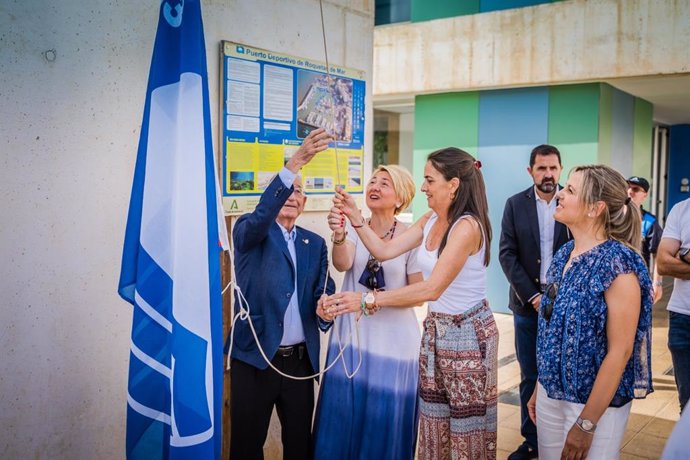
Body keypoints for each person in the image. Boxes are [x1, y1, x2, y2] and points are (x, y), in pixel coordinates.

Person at [323, 147, 498, 459]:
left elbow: (429, 289)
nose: (424, 187)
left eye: (430, 180)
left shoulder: (467, 227)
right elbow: (384, 250)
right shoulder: (430, 218)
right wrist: (353, 216)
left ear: (453, 184)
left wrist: (366, 300)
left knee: (465, 435)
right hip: (435, 333)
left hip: (467, 337)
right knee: (434, 430)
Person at [527, 165, 653, 459]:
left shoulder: (619, 266)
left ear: (595, 208)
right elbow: (551, 329)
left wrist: (585, 424)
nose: (559, 193)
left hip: (594, 408)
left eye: (570, 190)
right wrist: (538, 387)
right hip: (549, 395)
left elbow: (620, 352)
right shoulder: (563, 254)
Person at [228, 128, 335, 460]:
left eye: (299, 190)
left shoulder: (314, 243)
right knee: (246, 447)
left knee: (300, 446)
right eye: (287, 188)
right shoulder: (250, 231)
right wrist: (297, 161)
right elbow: (263, 215)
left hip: (300, 365)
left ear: (304, 202)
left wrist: (325, 308)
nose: (292, 194)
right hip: (255, 361)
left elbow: (323, 289)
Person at [312, 165, 422, 460]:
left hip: (395, 344)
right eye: (373, 181)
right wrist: (338, 233)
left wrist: (372, 300)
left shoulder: (411, 237)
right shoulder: (357, 228)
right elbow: (343, 263)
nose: (375, 186)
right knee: (342, 414)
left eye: (385, 183)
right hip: (353, 337)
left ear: (401, 197)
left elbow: (418, 295)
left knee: (381, 421)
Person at [499, 144, 571, 460]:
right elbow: (507, 254)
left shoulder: (571, 204)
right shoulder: (515, 205)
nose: (548, 174)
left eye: (553, 168)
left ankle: (562, 438)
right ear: (531, 171)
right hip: (527, 306)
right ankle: (533, 442)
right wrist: (533, 296)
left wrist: (555, 298)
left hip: (564, 305)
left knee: (562, 373)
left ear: (560, 169)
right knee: (530, 374)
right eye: (541, 168)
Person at [656, 196, 690, 413]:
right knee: (686, 403)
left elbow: (673, 258)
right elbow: (663, 263)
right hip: (682, 318)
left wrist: (684, 254)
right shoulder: (681, 209)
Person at [627, 176, 664, 303]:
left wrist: (657, 283)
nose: (630, 191)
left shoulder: (650, 222)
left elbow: (658, 254)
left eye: (635, 189)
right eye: (628, 187)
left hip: (639, 283)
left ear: (645, 195)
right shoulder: (613, 217)